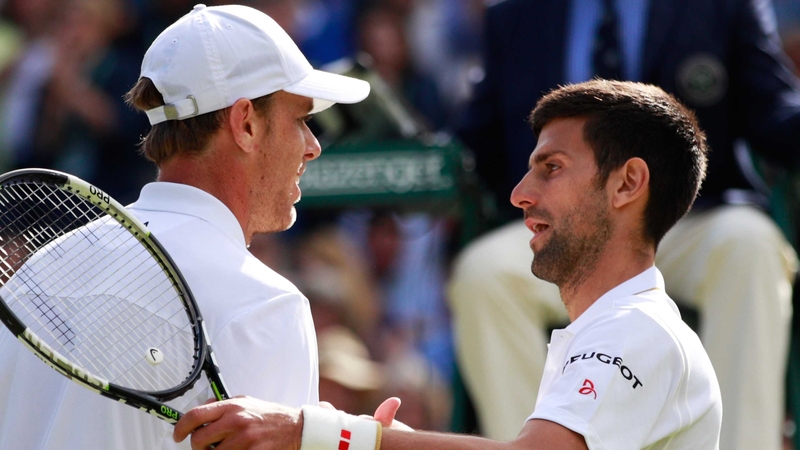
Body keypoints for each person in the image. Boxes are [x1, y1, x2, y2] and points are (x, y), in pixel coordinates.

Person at [173, 79, 723, 450]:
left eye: (551, 168)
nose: (520, 194)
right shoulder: (613, 332)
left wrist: (320, 433)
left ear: (628, 183)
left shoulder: (638, 330)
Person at [0, 4, 369, 449]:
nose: (312, 146)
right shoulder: (266, 306)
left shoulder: (34, 275)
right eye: (302, 119)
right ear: (246, 123)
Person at [449, 1, 800, 448]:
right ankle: (535, 441)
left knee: (751, 246)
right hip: (568, 223)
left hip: (691, 217)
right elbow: (473, 145)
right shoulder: (514, 15)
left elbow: (775, 112)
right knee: (484, 274)